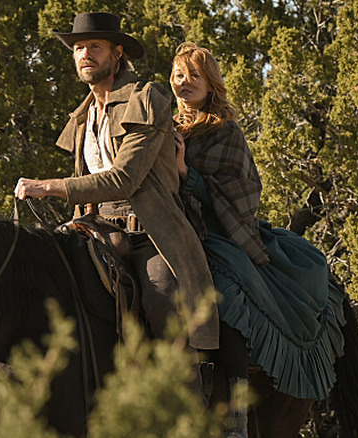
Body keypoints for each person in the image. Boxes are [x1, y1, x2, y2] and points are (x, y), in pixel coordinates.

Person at [14, 12, 220, 389]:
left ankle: (190, 407)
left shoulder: (148, 97)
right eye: (78, 48)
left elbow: (124, 179)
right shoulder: (83, 115)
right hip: (92, 227)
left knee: (162, 304)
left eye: (95, 46)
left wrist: (50, 186)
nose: (85, 54)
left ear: (118, 53)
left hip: (150, 230)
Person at [170, 43, 347, 437]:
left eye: (194, 76)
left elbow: (242, 191)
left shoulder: (225, 131)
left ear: (210, 82)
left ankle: (234, 420)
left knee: (227, 302)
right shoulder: (170, 128)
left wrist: (186, 173)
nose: (185, 83)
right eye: (179, 76)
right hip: (175, 230)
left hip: (220, 234)